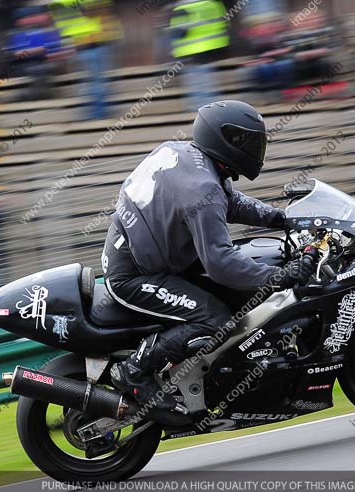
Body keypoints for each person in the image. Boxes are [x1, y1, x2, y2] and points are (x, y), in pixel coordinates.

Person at [105, 100, 315, 411]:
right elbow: (221, 264)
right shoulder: (202, 190)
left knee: (234, 291)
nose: (258, 150)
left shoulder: (186, 155)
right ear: (227, 140)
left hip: (148, 254)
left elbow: (229, 201)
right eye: (251, 142)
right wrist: (280, 277)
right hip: (134, 275)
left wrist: (280, 218)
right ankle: (134, 371)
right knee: (215, 319)